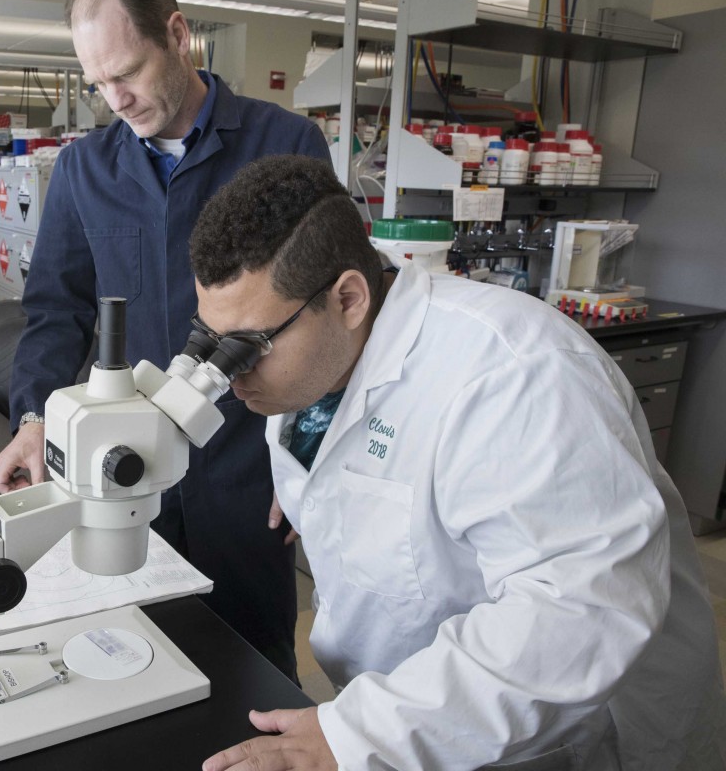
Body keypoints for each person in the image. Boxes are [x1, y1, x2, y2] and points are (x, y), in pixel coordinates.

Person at [192, 155, 726, 770]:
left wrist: (365, 735)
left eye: (247, 346)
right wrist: (317, 487)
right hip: (402, 715)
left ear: (348, 298)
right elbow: (375, 464)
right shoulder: (310, 368)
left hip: (548, 738)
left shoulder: (516, 372)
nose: (227, 374)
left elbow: (579, 614)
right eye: (210, 338)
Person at [0, 0, 329, 680]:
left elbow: (328, 312)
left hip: (247, 468)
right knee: (125, 657)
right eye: (96, 84)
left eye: (127, 72)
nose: (114, 99)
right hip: (121, 470)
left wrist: (312, 451)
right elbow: (56, 309)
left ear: (178, 37)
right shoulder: (86, 168)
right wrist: (33, 418)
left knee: (255, 668)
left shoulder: (285, 143)